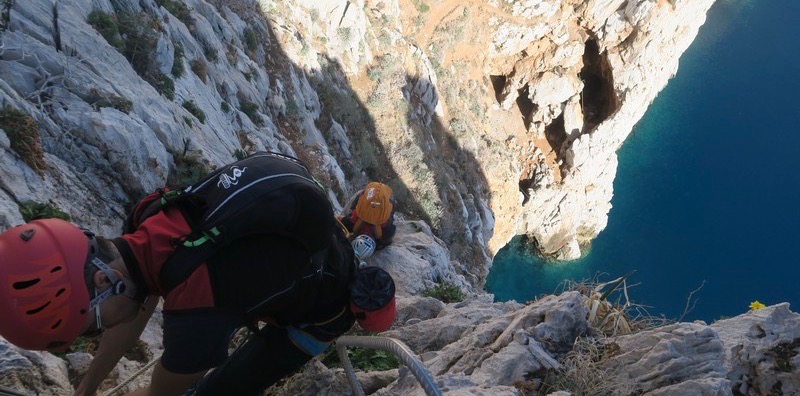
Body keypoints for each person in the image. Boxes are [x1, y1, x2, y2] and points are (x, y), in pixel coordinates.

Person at [0, 153, 379, 396]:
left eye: (93, 328)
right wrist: (86, 389)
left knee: (217, 391)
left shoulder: (197, 307)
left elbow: (158, 395)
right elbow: (137, 299)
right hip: (296, 257)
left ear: (103, 280)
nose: (101, 331)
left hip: (323, 311)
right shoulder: (147, 218)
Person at [339, 182, 396, 250]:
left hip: (374, 195)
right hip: (371, 197)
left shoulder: (385, 234)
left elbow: (391, 230)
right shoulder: (351, 225)